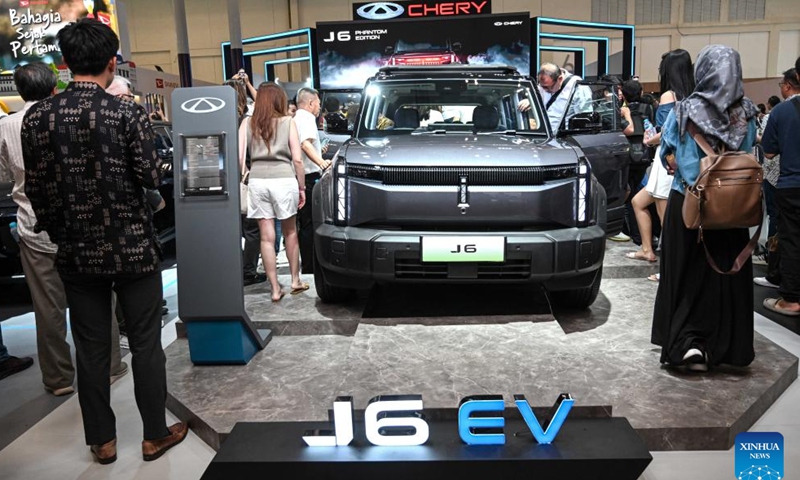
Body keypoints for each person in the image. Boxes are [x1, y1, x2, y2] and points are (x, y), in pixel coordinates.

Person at [21, 19, 187, 464]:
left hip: (76, 251)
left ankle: (103, 441)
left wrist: (62, 232)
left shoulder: (38, 117)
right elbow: (152, 176)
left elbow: (37, 190)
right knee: (147, 343)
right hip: (132, 246)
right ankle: (155, 434)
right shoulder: (126, 112)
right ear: (112, 61)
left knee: (91, 349)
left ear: (64, 64)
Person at [0, 63, 128, 396]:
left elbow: (3, 176)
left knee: (47, 310)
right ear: (54, 86)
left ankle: (58, 379)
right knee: (101, 299)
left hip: (34, 228)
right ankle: (111, 364)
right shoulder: (68, 116)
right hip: (84, 227)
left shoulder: (8, 125)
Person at [651, 45, 758, 372]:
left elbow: (665, 153)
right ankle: (728, 347)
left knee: (685, 273)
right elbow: (752, 149)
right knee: (727, 275)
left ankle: (688, 345)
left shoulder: (683, 111)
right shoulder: (748, 112)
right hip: (732, 207)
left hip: (690, 204)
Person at [239, 83, 307, 302]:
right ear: (279, 100)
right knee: (290, 232)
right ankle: (295, 280)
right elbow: (297, 159)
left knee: (266, 238)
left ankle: (275, 289)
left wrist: (247, 173)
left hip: (258, 181)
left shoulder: (248, 123)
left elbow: (241, 160)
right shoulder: (288, 122)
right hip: (284, 179)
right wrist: (302, 187)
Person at [629, 49, 695, 269]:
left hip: (666, 159)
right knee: (639, 202)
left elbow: (667, 132)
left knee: (667, 217)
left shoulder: (669, 95)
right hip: (681, 159)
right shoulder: (693, 95)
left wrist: (649, 141)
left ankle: (670, 268)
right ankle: (647, 249)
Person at [754, 68, 800, 290]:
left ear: (791, 83)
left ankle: (785, 290)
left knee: (786, 234)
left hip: (788, 181)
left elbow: (769, 152)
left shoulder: (781, 112)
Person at [225, 76, 269, 286]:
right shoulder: (247, 119)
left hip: (224, 179)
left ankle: (233, 269)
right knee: (253, 229)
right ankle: (248, 271)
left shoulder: (221, 119)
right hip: (246, 178)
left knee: (231, 229)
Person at [295, 87, 331, 273]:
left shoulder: (295, 119)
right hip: (309, 178)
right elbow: (305, 144)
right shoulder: (307, 118)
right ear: (310, 103)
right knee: (310, 224)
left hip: (298, 177)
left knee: (302, 225)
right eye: (317, 103)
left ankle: (305, 265)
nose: (319, 107)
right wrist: (322, 162)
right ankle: (310, 268)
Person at [618, 79, 655, 247]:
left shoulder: (621, 111)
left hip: (627, 157)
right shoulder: (648, 108)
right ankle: (648, 234)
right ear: (640, 93)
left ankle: (634, 234)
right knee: (644, 195)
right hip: (645, 155)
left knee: (630, 196)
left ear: (623, 94)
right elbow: (653, 129)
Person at [536, 62, 591, 132]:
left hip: (564, 137)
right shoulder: (545, 83)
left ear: (560, 79)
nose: (545, 90)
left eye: (548, 87)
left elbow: (584, 119)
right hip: (545, 135)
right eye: (542, 87)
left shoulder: (579, 87)